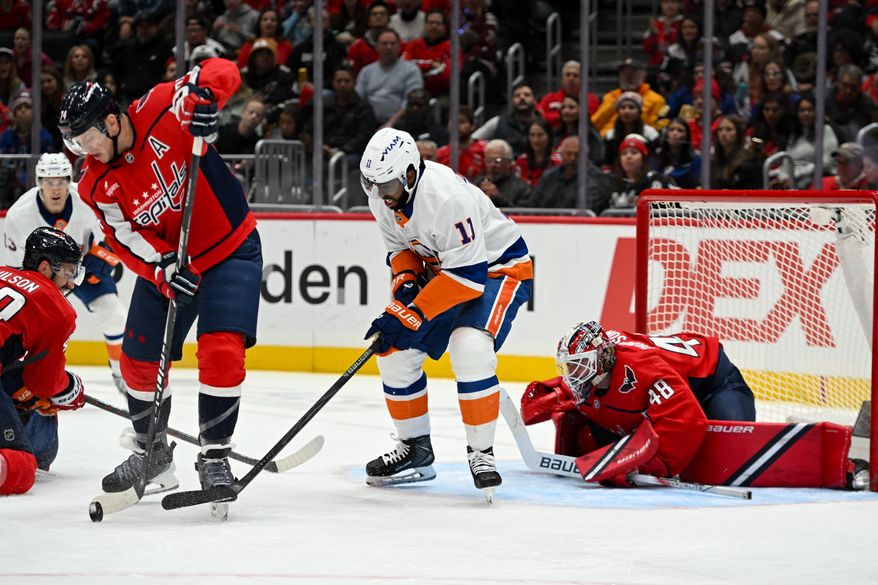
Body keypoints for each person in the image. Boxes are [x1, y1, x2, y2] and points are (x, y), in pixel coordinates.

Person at [58, 56, 263, 508]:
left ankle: (214, 456)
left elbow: (220, 69)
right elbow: (127, 237)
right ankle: (153, 453)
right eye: (76, 144)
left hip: (230, 247)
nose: (85, 152)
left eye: (89, 138)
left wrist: (206, 99)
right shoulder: (95, 184)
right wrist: (164, 267)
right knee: (136, 357)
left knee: (221, 348)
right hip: (172, 265)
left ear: (112, 121)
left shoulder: (159, 106)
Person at [359, 127, 533, 499]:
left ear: (409, 174)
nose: (379, 197)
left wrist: (412, 313)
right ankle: (415, 449)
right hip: (444, 269)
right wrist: (405, 286)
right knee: (392, 353)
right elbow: (398, 248)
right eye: (370, 186)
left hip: (496, 270)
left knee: (469, 346)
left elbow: (469, 279)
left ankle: (482, 454)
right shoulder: (384, 194)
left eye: (386, 187)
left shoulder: (446, 198)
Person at [522, 321, 755, 485]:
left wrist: (642, 466)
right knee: (588, 441)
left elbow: (685, 421)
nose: (572, 374)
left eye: (578, 365)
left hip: (712, 379)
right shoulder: (601, 361)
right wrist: (550, 395)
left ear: (601, 361)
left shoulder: (644, 370)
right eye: (569, 366)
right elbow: (574, 387)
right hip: (676, 383)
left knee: (732, 457)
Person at [4, 153, 127, 394]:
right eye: (49, 182)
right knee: (35, 329)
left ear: (70, 180)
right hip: (39, 280)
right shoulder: (19, 215)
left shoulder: (86, 199)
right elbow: (15, 269)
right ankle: (28, 376)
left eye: (61, 181)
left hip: (82, 269)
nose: (56, 188)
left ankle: (121, 374)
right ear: (39, 182)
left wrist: (100, 260)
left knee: (115, 314)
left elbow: (114, 233)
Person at [0, 227, 86, 495]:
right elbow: (46, 382)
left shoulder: (3, 272)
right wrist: (71, 390)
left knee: (25, 392)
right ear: (46, 266)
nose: (71, 283)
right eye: (68, 272)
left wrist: (33, 393)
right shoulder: (57, 309)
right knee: (21, 469)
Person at [355, 28, 423, 126]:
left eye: (392, 43)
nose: (388, 47)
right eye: (384, 43)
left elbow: (411, 102)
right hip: (368, 124)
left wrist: (390, 124)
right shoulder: (366, 71)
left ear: (399, 46)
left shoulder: (411, 70)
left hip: (400, 124)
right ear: (377, 47)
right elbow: (358, 99)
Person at [529, 135, 612, 212]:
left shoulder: (598, 178)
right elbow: (533, 204)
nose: (572, 158)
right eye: (568, 154)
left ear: (586, 155)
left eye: (577, 154)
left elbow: (588, 207)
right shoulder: (548, 176)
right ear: (561, 154)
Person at [591, 58, 667, 137]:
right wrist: (611, 107)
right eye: (624, 73)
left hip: (641, 140)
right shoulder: (609, 97)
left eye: (633, 73)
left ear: (643, 75)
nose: (628, 77)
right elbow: (594, 124)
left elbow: (660, 126)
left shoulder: (656, 99)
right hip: (609, 141)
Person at [472, 139, 533, 208]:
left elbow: (523, 215)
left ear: (509, 163)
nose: (492, 165)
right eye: (488, 160)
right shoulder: (476, 184)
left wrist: (499, 198)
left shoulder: (522, 189)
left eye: (498, 160)